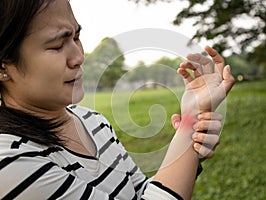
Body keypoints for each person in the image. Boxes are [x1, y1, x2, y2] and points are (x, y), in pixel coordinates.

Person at [0, 0, 235, 199]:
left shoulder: (92, 120)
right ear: (3, 66)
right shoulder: (9, 162)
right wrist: (187, 135)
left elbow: (139, 192)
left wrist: (189, 131)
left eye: (77, 37)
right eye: (57, 45)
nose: (79, 57)